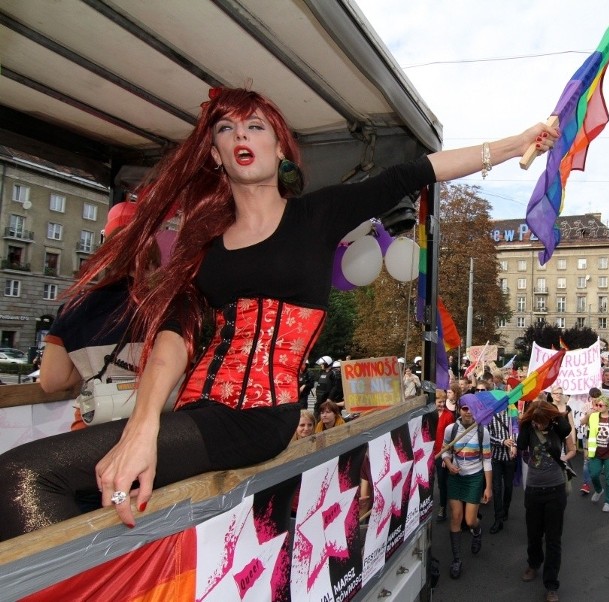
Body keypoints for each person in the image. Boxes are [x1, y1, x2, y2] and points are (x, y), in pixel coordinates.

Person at [0, 87, 559, 540]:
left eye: (255, 126)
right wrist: (143, 425)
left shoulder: (316, 216)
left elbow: (417, 172)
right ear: (216, 155)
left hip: (257, 416)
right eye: (226, 129)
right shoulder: (205, 244)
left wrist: (515, 143)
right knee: (62, 484)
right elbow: (174, 335)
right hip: (196, 408)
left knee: (22, 475)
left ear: (279, 149)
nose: (240, 135)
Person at [39, 201, 149, 430]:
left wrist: (90, 368)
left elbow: (51, 380)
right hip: (149, 430)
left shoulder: (75, 307)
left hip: (92, 430)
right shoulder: (162, 307)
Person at [516, 399, 576, 602]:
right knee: (533, 533)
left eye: (543, 421)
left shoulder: (557, 428)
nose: (540, 425)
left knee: (553, 538)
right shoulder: (529, 428)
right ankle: (534, 563)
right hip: (533, 488)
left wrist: (555, 417)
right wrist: (526, 422)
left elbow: (567, 429)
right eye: (537, 421)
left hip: (555, 488)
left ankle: (551, 584)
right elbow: (522, 445)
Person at [441, 396, 492, 580]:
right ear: (459, 410)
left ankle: (477, 532)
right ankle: (456, 560)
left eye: (471, 408)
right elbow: (445, 450)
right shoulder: (451, 429)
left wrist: (488, 487)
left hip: (474, 478)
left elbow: (487, 460)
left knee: (470, 521)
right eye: (464, 408)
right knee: (456, 517)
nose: (468, 411)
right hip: (455, 478)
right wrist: (448, 462)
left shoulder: (482, 431)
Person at [580, 395, 609, 513]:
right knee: (593, 474)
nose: (597, 407)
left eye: (600, 405)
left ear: (607, 406)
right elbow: (587, 430)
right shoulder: (593, 417)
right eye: (597, 405)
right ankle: (598, 490)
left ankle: (608, 501)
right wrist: (587, 450)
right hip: (596, 452)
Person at [485, 381, 516, 534]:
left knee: (508, 487)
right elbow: (487, 436)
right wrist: (502, 441)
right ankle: (498, 518)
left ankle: (505, 509)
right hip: (496, 457)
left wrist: (514, 445)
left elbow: (516, 430)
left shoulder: (512, 413)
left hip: (510, 457)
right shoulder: (490, 416)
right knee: (497, 488)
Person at [433, 386, 459, 522]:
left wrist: (447, 455)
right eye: (439, 402)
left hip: (443, 454)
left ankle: (442, 507)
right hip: (430, 454)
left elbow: (452, 438)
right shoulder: (429, 415)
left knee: (442, 482)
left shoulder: (449, 416)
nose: (442, 404)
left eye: (444, 402)